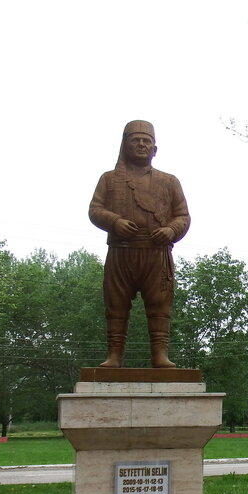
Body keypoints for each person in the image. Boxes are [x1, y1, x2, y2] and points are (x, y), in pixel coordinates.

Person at [89, 120, 191, 368]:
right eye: (136, 140)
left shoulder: (169, 181)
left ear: (155, 149)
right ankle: (114, 356)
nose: (142, 144)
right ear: (125, 145)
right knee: (116, 305)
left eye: (147, 141)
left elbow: (183, 216)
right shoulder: (109, 179)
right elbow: (95, 210)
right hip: (121, 252)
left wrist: (170, 230)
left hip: (156, 252)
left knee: (159, 305)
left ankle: (160, 355)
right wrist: (115, 222)